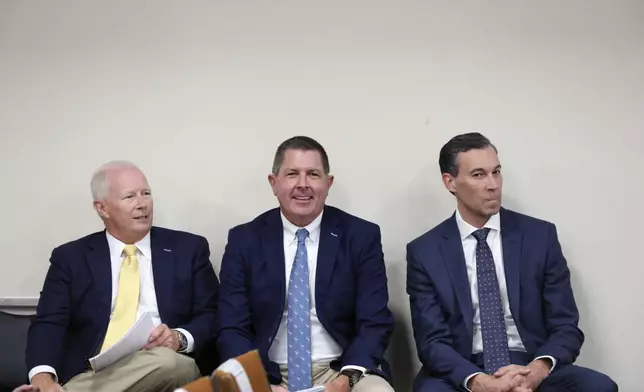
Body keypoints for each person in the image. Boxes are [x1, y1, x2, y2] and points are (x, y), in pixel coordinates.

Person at [406, 133, 618, 392]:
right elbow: (431, 341)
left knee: (599, 387)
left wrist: (535, 373)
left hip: (529, 362)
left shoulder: (540, 236)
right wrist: (480, 382)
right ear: (450, 182)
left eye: (496, 172)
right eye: (478, 175)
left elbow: (565, 326)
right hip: (463, 368)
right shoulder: (425, 251)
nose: (493, 184)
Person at [217, 136, 395, 392]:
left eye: (313, 174)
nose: (303, 184)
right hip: (268, 371)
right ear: (273, 182)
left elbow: (375, 321)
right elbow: (232, 327)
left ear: (328, 183)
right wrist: (258, 383)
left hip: (340, 369)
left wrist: (347, 379)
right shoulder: (244, 240)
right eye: (292, 174)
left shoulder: (360, 236)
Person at [25, 160, 220, 392]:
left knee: (170, 363)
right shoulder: (70, 258)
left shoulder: (188, 249)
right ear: (102, 208)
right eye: (130, 197)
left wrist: (179, 337)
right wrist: (43, 379)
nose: (142, 204)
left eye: (146, 194)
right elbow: (49, 323)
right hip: (95, 372)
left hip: (164, 366)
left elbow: (213, 314)